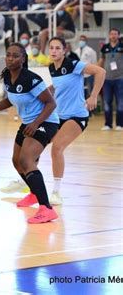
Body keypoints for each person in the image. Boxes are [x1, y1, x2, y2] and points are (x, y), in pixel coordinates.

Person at [0, 43, 60, 224]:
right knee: (16, 161)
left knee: (26, 161)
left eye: (15, 56)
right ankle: (34, 193)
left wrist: (36, 123)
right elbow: (9, 100)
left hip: (46, 122)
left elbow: (51, 103)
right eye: (8, 55)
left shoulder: (31, 78)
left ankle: (47, 209)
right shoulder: (7, 76)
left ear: (23, 59)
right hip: (29, 123)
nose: (11, 58)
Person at [47, 37, 106, 205]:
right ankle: (26, 184)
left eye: (58, 48)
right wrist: (44, 93)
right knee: (35, 143)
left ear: (64, 50)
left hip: (77, 115)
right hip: (58, 115)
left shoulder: (73, 64)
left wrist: (93, 96)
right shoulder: (52, 68)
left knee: (57, 147)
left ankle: (56, 192)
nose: (54, 51)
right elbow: (57, 86)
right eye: (51, 48)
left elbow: (101, 72)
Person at [98, 28, 123, 131]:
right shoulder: (105, 47)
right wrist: (97, 72)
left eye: (115, 34)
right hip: (107, 79)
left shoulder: (122, 46)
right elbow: (101, 61)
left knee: (120, 102)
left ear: (118, 35)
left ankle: (120, 125)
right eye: (111, 34)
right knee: (107, 102)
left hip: (120, 78)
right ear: (109, 35)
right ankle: (108, 124)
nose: (113, 36)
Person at [75, 35, 98, 99]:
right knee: (80, 94)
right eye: (80, 40)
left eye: (83, 40)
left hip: (88, 76)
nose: (81, 41)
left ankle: (91, 109)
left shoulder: (91, 51)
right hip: (79, 76)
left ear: (86, 41)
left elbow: (94, 64)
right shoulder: (76, 51)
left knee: (89, 93)